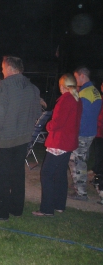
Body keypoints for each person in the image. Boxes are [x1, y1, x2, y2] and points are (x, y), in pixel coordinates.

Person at [0, 56, 41, 221]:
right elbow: (37, 113)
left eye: (2, 68)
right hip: (23, 139)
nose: (2, 71)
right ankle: (16, 209)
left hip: (5, 139)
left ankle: (2, 212)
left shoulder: (3, 86)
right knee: (17, 174)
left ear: (9, 68)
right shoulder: (33, 88)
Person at [32, 74, 82, 216]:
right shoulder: (77, 99)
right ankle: (59, 205)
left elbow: (57, 123)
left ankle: (47, 209)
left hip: (59, 142)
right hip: (68, 142)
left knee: (47, 174)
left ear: (63, 85)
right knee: (60, 174)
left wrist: (48, 125)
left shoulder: (65, 100)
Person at [68, 66, 102, 201]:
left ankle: (80, 192)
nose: (75, 81)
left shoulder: (84, 93)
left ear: (82, 76)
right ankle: (78, 185)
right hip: (91, 131)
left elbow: (80, 116)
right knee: (80, 161)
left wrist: (74, 132)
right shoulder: (95, 91)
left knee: (76, 162)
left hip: (82, 133)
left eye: (76, 77)